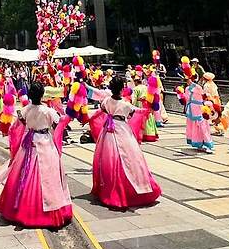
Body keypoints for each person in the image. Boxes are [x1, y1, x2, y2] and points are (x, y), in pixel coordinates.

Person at [0, 82, 72, 228]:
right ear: (42, 94)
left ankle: (20, 207)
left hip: (28, 144)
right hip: (45, 143)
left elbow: (17, 127)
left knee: (23, 174)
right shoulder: (48, 111)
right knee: (48, 177)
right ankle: (47, 209)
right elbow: (58, 125)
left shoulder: (25, 110)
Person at [92, 77, 162, 208]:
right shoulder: (125, 104)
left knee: (109, 158)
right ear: (122, 89)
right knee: (130, 159)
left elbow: (100, 110)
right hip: (122, 130)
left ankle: (108, 188)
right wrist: (148, 109)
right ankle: (132, 188)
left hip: (107, 132)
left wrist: (87, 118)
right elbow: (135, 113)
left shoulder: (106, 101)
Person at [179, 74, 214, 153]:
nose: (187, 81)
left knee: (202, 127)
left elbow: (204, 97)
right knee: (194, 127)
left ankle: (206, 145)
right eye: (186, 80)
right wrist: (180, 95)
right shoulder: (187, 88)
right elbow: (186, 100)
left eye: (188, 79)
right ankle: (199, 144)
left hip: (199, 109)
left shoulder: (198, 87)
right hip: (191, 110)